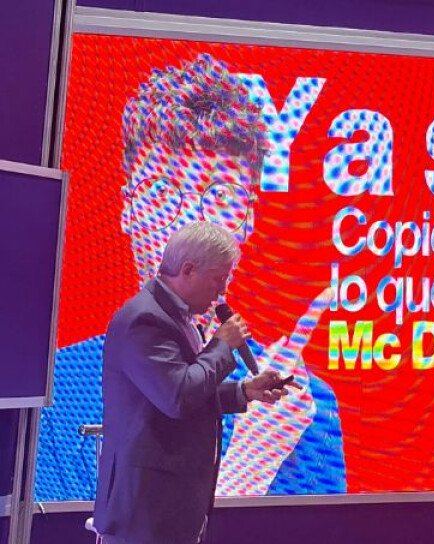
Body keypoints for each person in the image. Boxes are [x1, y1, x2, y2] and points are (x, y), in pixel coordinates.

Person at [36, 53, 346, 502]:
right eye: (163, 194)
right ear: (128, 209)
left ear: (247, 219)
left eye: (218, 198)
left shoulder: (302, 406)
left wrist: (247, 393)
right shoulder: (58, 389)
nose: (189, 228)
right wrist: (247, 467)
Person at [95, 222, 294, 543]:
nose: (222, 291)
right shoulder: (144, 320)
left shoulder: (179, 318)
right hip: (146, 509)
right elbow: (178, 396)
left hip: (173, 505)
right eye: (218, 279)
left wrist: (245, 391)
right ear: (188, 269)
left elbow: (187, 388)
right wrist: (221, 345)